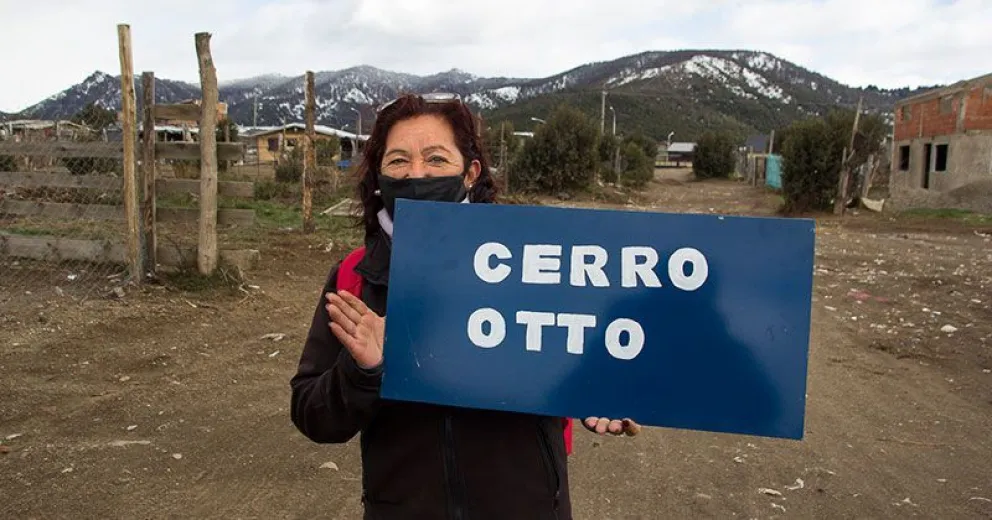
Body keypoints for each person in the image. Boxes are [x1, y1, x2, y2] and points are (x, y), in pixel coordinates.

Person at [290, 92, 639, 520]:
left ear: (470, 173)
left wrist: (602, 389)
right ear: (379, 176)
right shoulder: (354, 278)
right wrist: (364, 372)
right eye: (398, 160)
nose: (416, 174)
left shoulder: (537, 267)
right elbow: (312, 414)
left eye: (436, 159)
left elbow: (580, 356)